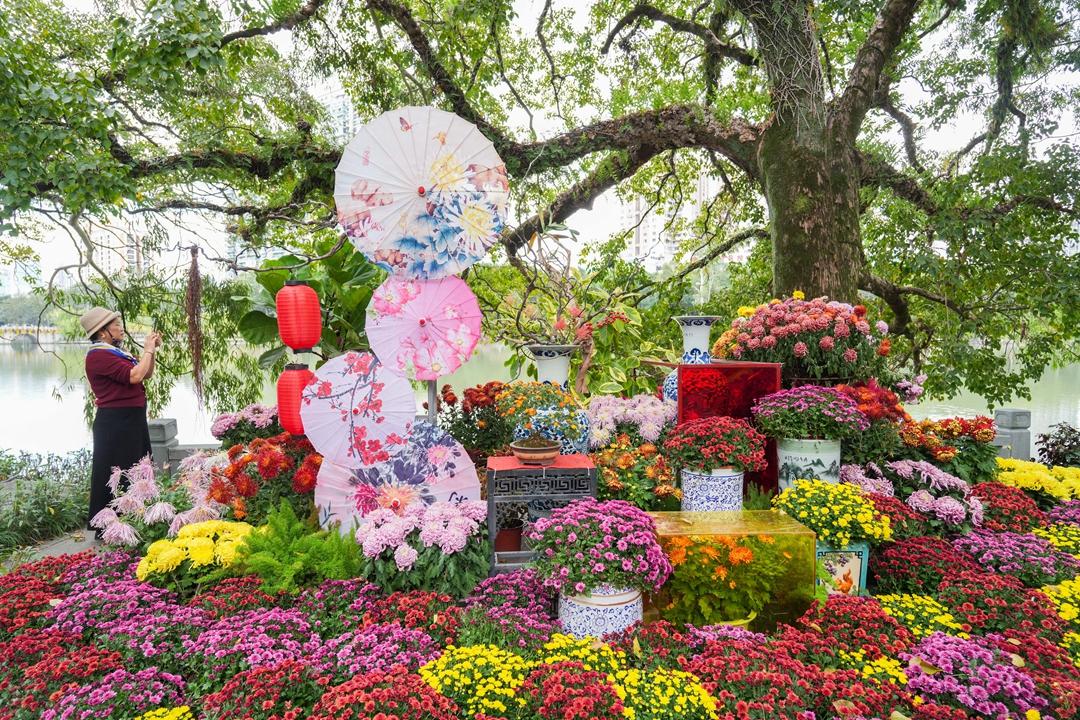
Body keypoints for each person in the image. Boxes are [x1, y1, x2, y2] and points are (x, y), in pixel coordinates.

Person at [79, 307, 162, 530]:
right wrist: (147, 350)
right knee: (117, 472)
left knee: (137, 467)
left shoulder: (114, 352)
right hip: (116, 422)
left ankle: (137, 517)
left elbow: (146, 373)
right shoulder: (98, 356)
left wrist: (151, 351)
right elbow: (134, 376)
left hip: (130, 420)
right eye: (116, 325)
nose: (120, 328)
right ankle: (111, 524)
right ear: (103, 332)